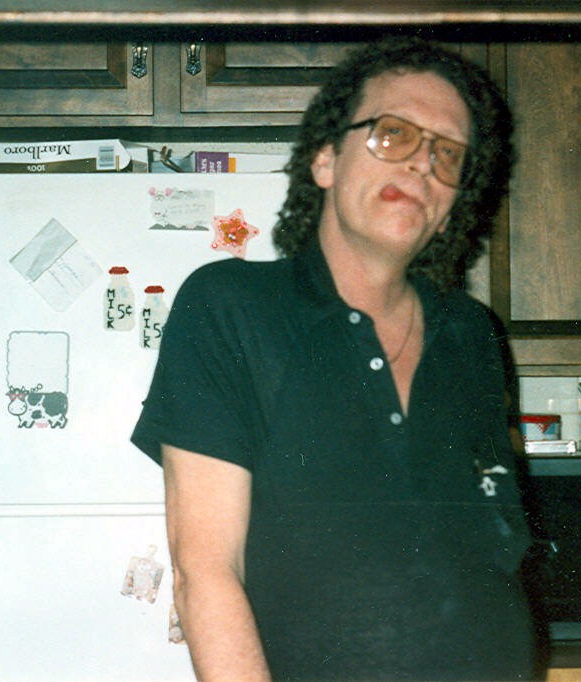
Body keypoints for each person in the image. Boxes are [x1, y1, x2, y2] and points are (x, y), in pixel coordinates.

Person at [132, 36, 537, 681]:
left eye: (448, 155)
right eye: (393, 134)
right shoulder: (231, 308)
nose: (422, 164)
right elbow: (205, 571)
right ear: (325, 159)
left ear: (451, 207)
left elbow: (493, 547)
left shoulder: (473, 334)